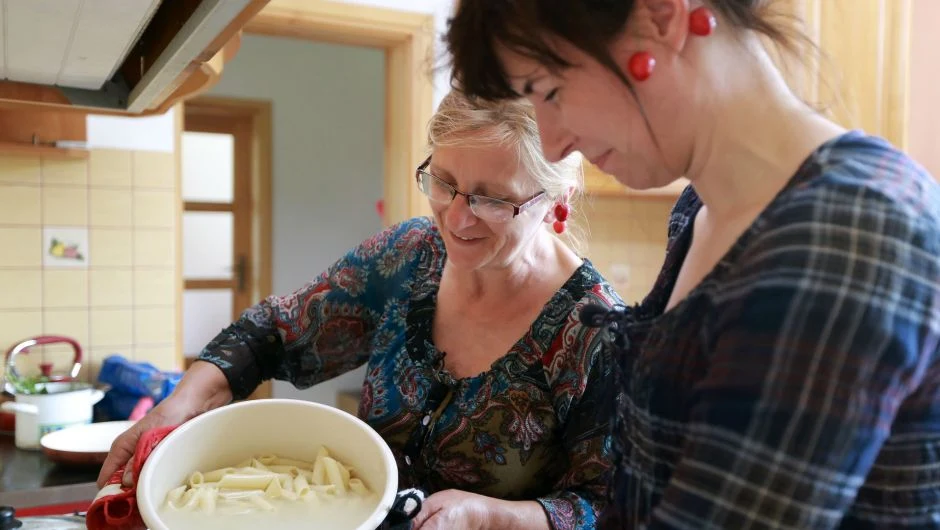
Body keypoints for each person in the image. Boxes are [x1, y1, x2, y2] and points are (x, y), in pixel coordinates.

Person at [444, 0, 940, 528]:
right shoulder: (701, 210)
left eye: (551, 92)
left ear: (661, 16)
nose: (553, 141)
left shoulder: (848, 235)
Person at [99, 89, 624, 530]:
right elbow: (273, 334)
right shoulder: (411, 255)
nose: (457, 218)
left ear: (558, 201)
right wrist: (178, 407)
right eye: (442, 182)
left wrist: (491, 516)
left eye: (491, 198)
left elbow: (609, 507)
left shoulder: (598, 334)